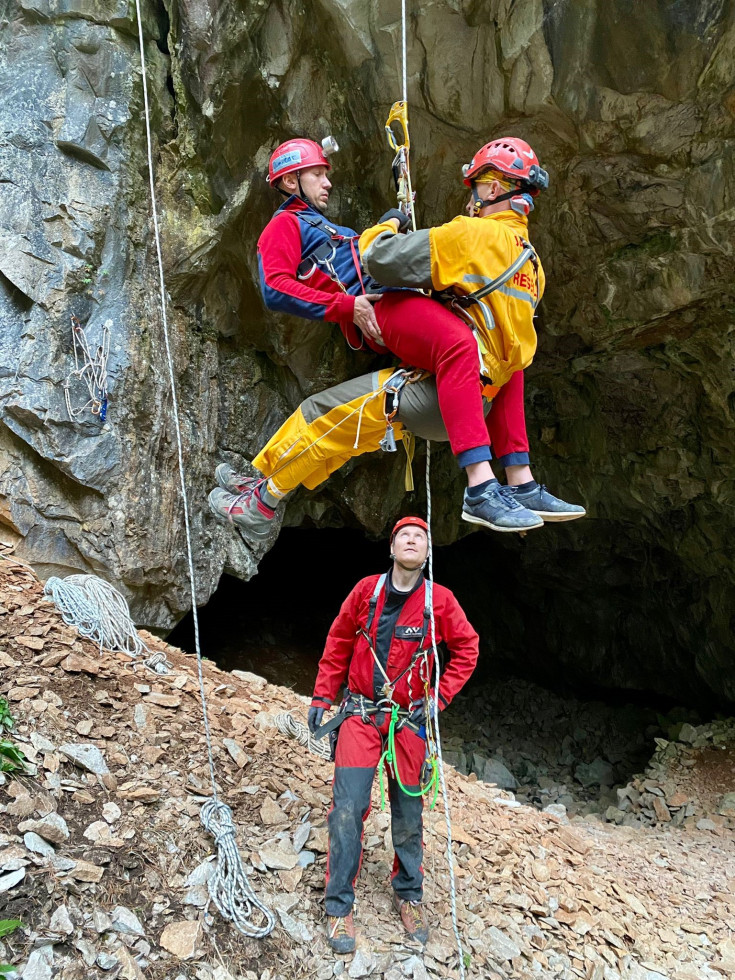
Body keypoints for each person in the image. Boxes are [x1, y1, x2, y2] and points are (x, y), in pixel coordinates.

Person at [208, 136, 584, 547]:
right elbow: (275, 288)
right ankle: (263, 484)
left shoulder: (338, 229)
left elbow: (382, 258)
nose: (328, 182)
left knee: (493, 352)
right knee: (468, 352)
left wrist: (396, 235)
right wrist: (344, 306)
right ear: (290, 181)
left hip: (409, 314)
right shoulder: (285, 224)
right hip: (389, 310)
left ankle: (263, 490)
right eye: (317, 173)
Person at [306, 516, 479, 952]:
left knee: (408, 813)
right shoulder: (367, 591)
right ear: (392, 548)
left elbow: (467, 648)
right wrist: (322, 697)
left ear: (427, 553)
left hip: (408, 722)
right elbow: (339, 640)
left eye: (420, 537)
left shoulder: (439, 601)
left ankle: (409, 894)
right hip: (360, 716)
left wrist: (437, 699)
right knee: (347, 808)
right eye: (404, 534)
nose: (412, 539)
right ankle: (339, 908)